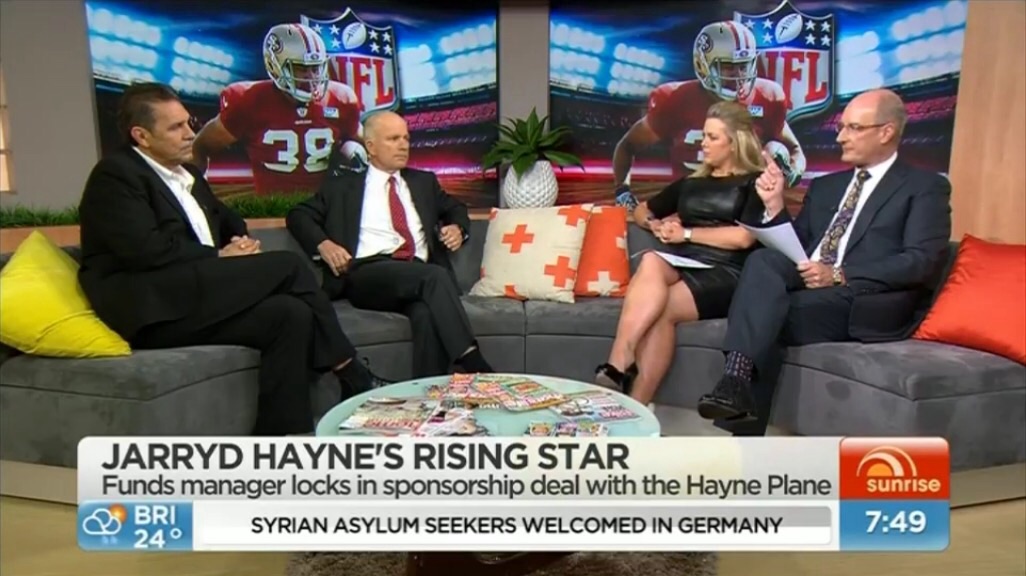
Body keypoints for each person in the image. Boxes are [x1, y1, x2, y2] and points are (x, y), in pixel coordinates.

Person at [77, 82, 389, 436]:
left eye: (189, 123)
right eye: (176, 127)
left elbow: (228, 221)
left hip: (193, 291)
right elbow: (143, 249)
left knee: (290, 314)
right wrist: (218, 255)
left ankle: (281, 437)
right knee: (288, 266)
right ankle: (351, 371)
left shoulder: (186, 174)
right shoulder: (115, 176)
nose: (190, 133)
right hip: (152, 308)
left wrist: (238, 241)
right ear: (141, 136)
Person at [696, 88, 953, 432]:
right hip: (810, 280)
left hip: (864, 296)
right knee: (763, 261)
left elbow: (921, 262)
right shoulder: (826, 186)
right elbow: (797, 246)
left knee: (764, 315)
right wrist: (775, 206)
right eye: (841, 127)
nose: (840, 136)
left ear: (886, 132)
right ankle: (736, 383)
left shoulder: (924, 187)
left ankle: (738, 413)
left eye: (853, 128)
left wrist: (839, 274)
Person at [286, 110, 495, 378]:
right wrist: (324, 245)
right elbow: (298, 215)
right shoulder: (343, 187)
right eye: (393, 139)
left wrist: (457, 227)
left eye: (406, 138)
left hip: (416, 273)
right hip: (369, 272)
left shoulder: (423, 182)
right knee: (434, 276)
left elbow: (455, 208)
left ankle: (429, 391)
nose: (403, 145)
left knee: (425, 314)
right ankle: (472, 360)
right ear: (370, 147)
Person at [595, 101, 768, 404]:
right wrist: (656, 224)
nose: (704, 143)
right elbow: (642, 210)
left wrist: (686, 234)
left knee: (661, 311)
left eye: (712, 137)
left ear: (734, 142)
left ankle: (634, 402)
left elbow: (743, 238)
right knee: (651, 259)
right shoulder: (691, 183)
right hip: (685, 261)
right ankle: (619, 363)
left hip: (729, 271)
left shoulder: (756, 183)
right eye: (704, 136)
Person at [612, 20, 806, 210]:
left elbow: (795, 150)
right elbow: (628, 145)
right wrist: (623, 191)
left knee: (774, 149)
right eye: (728, 66)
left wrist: (793, 171)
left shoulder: (768, 96)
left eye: (743, 65)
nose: (738, 75)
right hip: (689, 204)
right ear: (702, 64)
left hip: (744, 205)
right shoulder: (675, 99)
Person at [191, 23, 367, 196]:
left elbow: (369, 144)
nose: (311, 77)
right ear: (274, 66)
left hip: (326, 205)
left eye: (315, 68)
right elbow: (201, 146)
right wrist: (197, 191)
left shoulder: (340, 99)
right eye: (301, 68)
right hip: (273, 207)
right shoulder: (249, 100)